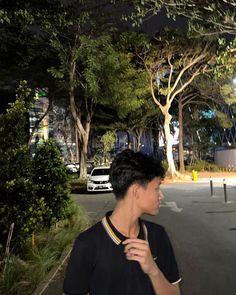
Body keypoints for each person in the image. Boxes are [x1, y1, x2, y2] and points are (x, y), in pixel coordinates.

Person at [63, 149, 181, 295]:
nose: (161, 195)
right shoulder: (87, 244)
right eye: (157, 188)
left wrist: (153, 270)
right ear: (136, 191)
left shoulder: (157, 236)